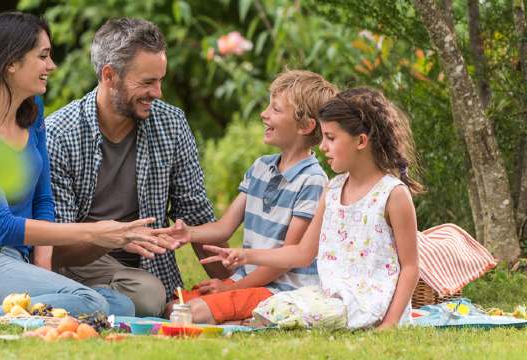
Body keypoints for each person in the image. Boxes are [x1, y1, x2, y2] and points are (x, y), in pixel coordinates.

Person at [0, 12, 163, 322]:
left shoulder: (32, 113)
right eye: (42, 56)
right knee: (88, 303)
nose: (51, 66)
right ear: (10, 63)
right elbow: (2, 226)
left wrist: (43, 273)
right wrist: (94, 232)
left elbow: (43, 200)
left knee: (121, 307)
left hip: (17, 260)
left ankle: (0, 312)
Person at [45, 17, 227, 317]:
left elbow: (195, 214)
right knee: (149, 295)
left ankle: (95, 303)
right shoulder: (59, 134)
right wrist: (113, 238)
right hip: (79, 262)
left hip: (146, 269)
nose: (158, 92)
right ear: (109, 76)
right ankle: (83, 299)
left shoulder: (171, 123)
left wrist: (235, 285)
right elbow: (56, 246)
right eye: (147, 82)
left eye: (160, 80)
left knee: (149, 292)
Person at [201, 88, 421, 329]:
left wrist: (389, 324)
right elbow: (303, 253)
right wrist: (247, 256)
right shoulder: (334, 189)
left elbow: (410, 267)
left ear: (361, 141)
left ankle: (254, 324)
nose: (323, 146)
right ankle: (252, 323)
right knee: (270, 306)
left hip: (369, 303)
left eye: (331, 137)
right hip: (329, 297)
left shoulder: (393, 194)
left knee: (285, 313)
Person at [158, 71, 336, 324]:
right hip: (248, 281)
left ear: (306, 125)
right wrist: (189, 234)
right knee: (173, 305)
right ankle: (239, 317)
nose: (264, 114)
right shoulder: (260, 168)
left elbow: (284, 261)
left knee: (188, 313)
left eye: (275, 109)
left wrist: (233, 289)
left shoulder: (313, 181)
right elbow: (224, 228)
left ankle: (247, 318)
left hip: (280, 291)